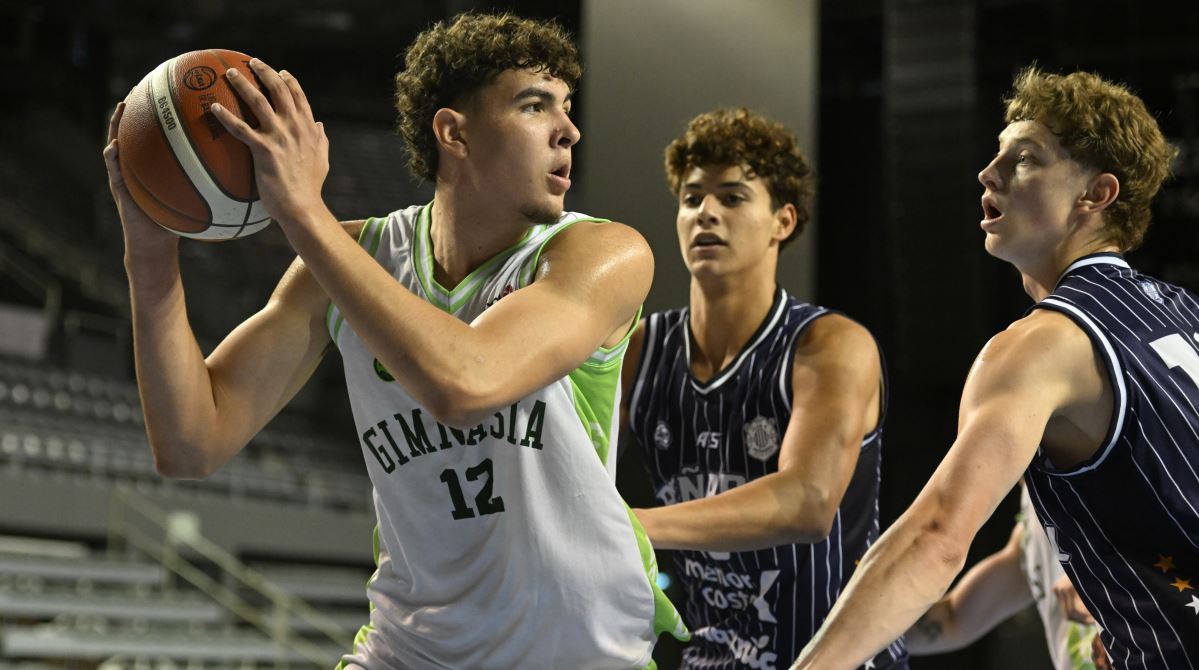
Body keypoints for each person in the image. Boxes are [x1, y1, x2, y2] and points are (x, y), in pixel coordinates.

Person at [102, 12, 686, 670]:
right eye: (534, 105)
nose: (568, 130)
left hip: (575, 655)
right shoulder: (352, 261)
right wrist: (151, 257)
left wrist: (303, 212)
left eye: (567, 108)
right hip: (409, 650)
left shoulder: (602, 254)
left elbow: (466, 383)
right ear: (454, 133)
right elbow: (190, 444)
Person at [790, 67, 1196, 670]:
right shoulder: (1183, 311)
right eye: (997, 154)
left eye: (1025, 158)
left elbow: (935, 539)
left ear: (1096, 194)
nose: (988, 172)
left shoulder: (1040, 345)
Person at [621, 108, 907, 669]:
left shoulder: (831, 345)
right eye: (691, 198)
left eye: (732, 197)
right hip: (710, 656)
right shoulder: (641, 349)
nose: (705, 212)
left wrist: (628, 527)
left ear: (783, 220)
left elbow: (809, 501)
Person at [905, 484, 1109, 669]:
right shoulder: (1033, 516)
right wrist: (884, 630)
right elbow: (953, 618)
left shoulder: (1108, 474)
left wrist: (1107, 587)